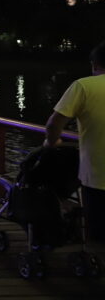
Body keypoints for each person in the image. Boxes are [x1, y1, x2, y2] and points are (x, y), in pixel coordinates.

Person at [45, 41, 105, 247]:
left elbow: (54, 124)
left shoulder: (84, 86)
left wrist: (52, 143)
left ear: (94, 64)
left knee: (98, 235)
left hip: (97, 176)